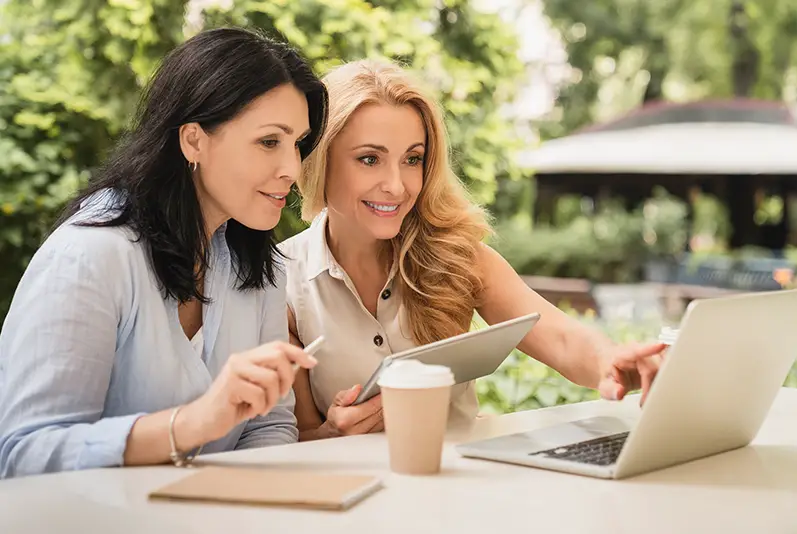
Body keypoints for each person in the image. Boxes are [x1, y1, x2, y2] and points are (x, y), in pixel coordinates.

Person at [0, 27, 328, 478]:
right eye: (270, 141)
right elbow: (22, 454)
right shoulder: (89, 256)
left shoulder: (260, 266)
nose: (292, 168)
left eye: (298, 144)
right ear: (193, 140)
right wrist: (189, 425)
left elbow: (269, 424)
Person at [279, 59, 666, 441]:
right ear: (319, 160)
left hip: (458, 488)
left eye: (412, 159)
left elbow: (561, 338)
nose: (396, 186)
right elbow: (294, 436)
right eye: (369, 159)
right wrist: (333, 432)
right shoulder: (281, 280)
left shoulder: (456, 256)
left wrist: (610, 361)